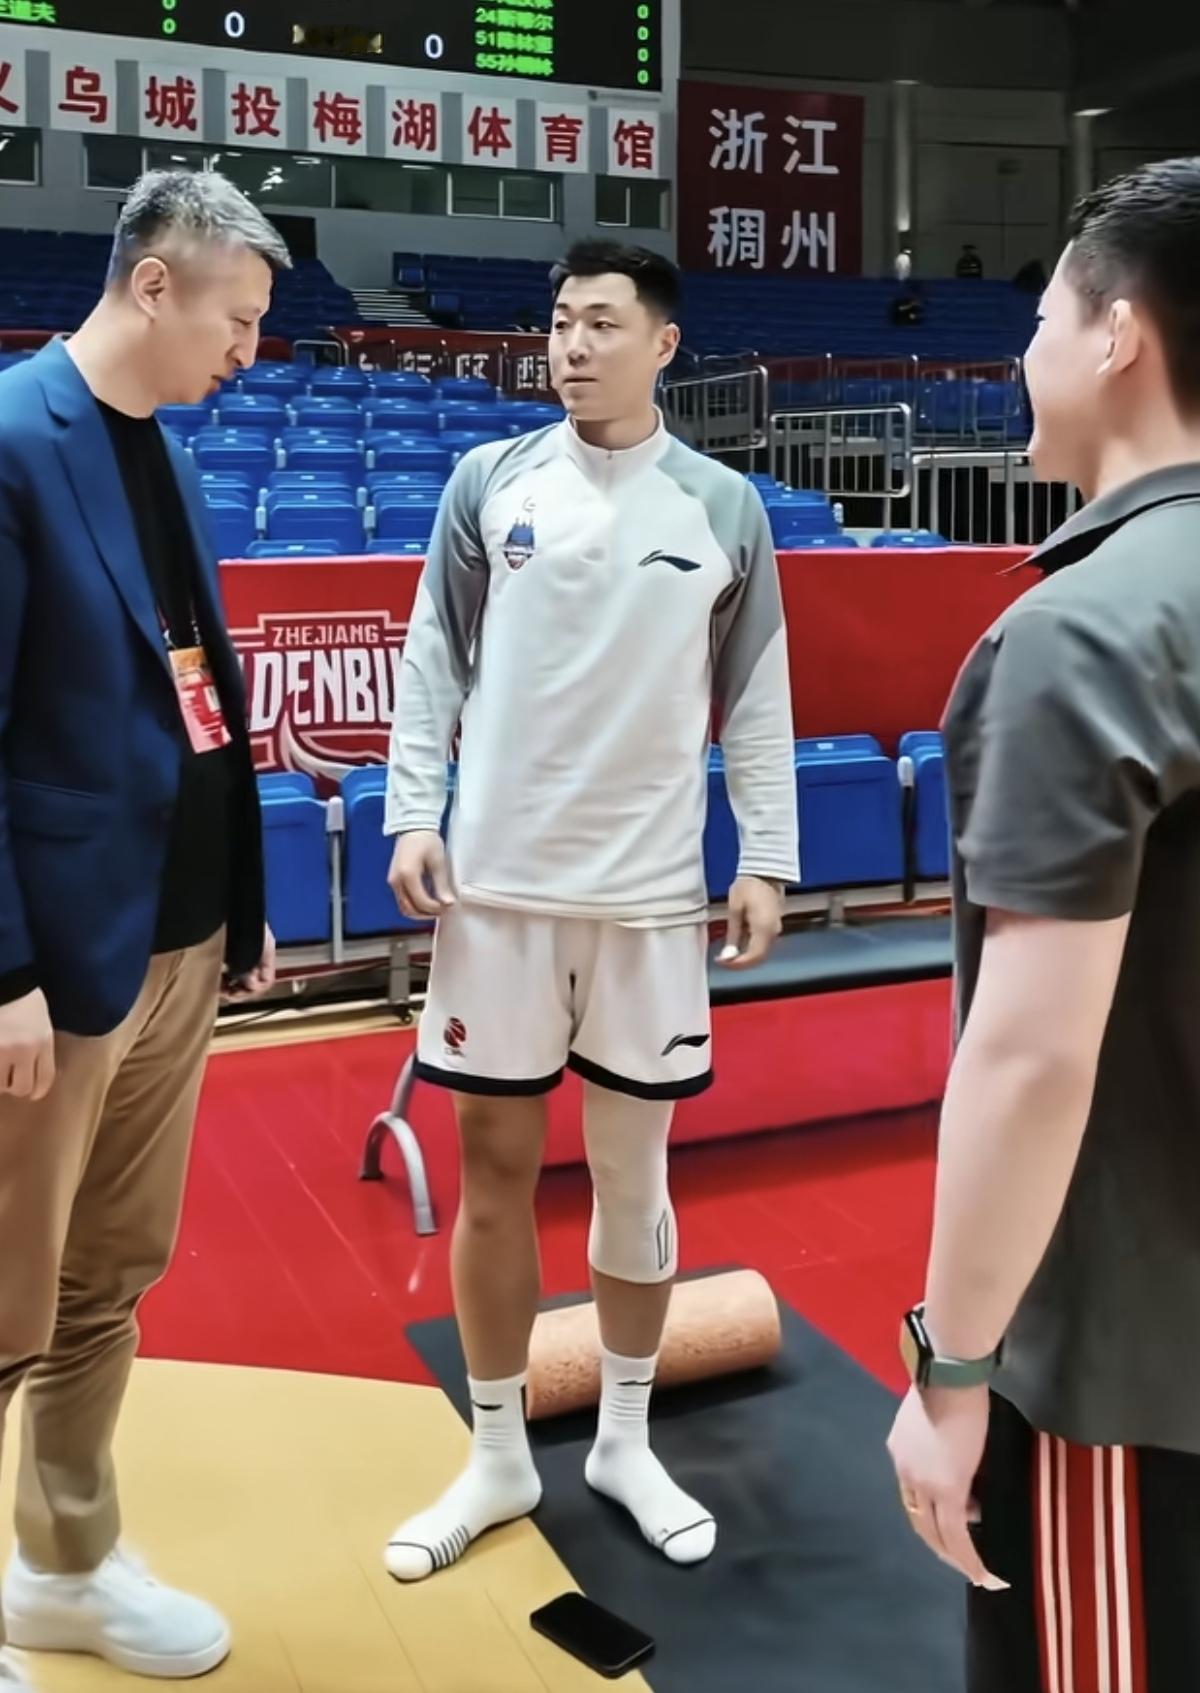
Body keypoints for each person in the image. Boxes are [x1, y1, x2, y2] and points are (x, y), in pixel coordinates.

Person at [383, 240, 798, 1581]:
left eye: (602, 323)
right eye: (560, 321)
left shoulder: (725, 506)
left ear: (663, 344)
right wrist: (411, 813)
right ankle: (499, 1453)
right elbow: (432, 659)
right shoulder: (487, 482)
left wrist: (768, 853)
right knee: (494, 1177)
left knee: (634, 1179)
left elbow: (759, 693)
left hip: (648, 904)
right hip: (497, 895)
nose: (570, 345)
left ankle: (624, 1439)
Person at [887, 156, 1200, 1691]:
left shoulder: (1084, 632)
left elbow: (1029, 1056)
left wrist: (950, 1367)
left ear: (1117, 333)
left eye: (1042, 318)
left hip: (1130, 1375)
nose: (1024, 354)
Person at [0, 170, 286, 1688]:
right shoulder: (9, 438)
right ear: (155, 284)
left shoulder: (164, 453)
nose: (248, 349)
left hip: (171, 938)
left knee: (109, 1272)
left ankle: (62, 1559)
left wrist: (239, 906)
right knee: (3, 1289)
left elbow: (198, 692)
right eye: (236, 318)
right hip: (48, 964)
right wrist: (2, 969)